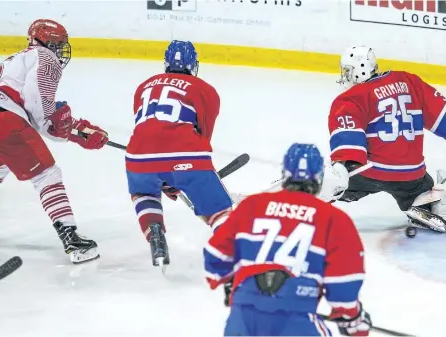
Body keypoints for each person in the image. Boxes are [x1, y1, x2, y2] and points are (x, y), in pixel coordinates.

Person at [0, 19, 109, 264]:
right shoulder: (47, 59)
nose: (60, 50)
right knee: (47, 175)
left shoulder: (21, 57)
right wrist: (71, 134)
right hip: (2, 118)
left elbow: (31, 109)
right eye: (58, 44)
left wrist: (77, 129)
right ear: (48, 43)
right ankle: (72, 239)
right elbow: (40, 115)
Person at [204, 143, 372, 336]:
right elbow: (344, 284)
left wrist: (232, 283)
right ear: (319, 178)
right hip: (296, 320)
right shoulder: (335, 220)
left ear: (285, 174)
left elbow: (215, 259)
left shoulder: (251, 206)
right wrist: (353, 319)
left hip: (242, 319)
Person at [126, 40, 232, 267]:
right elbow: (202, 138)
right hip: (186, 155)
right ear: (194, 64)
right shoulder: (205, 90)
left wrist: (164, 176)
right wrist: (180, 177)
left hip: (137, 155)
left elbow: (145, 126)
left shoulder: (143, 86)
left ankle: (154, 233)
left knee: (144, 194)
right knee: (219, 212)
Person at [320, 45, 446, 233]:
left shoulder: (351, 98)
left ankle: (301, 204)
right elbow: (442, 116)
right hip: (412, 174)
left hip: (371, 171)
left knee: (329, 179)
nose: (344, 75)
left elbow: (349, 143)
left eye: (347, 70)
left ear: (357, 71)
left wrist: (339, 171)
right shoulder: (409, 81)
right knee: (426, 193)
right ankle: (432, 204)